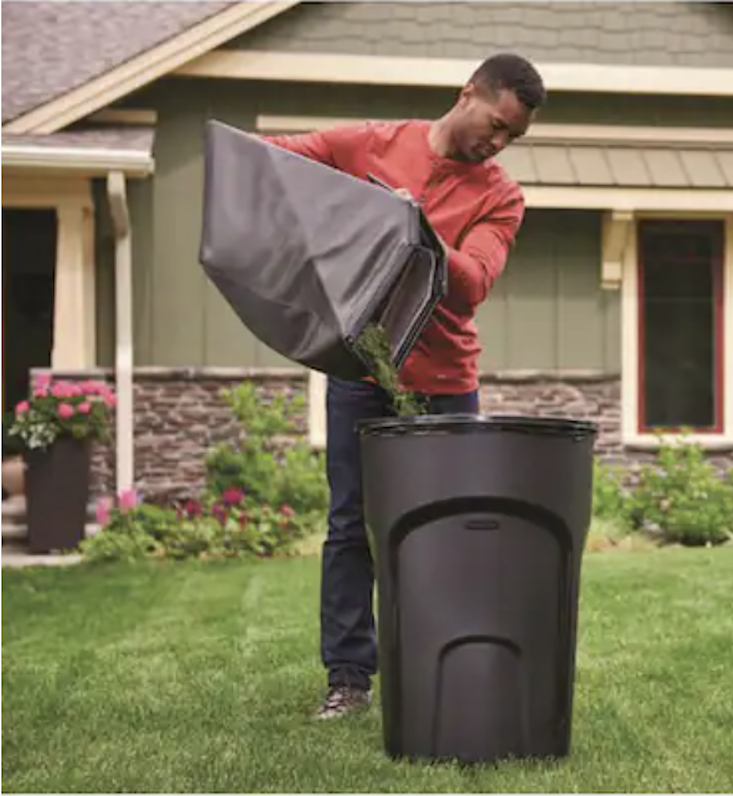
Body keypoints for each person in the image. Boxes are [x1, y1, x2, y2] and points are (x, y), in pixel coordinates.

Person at [261, 53, 545, 719]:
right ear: (468, 92)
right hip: (363, 370)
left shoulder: (500, 195)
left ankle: (434, 672)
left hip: (445, 383)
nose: (498, 143)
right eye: (497, 124)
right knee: (350, 526)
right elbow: (272, 161)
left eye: (512, 138)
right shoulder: (370, 145)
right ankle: (349, 682)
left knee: (444, 533)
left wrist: (412, 225)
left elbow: (472, 284)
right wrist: (348, 214)